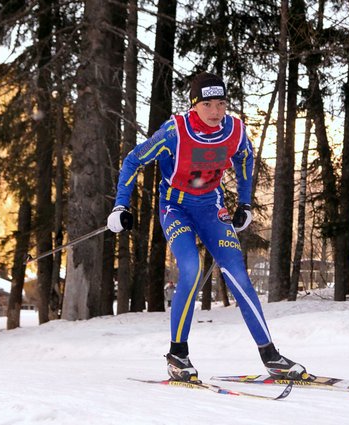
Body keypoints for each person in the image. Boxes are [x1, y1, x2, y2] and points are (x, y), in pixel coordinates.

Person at [106, 72, 307, 383]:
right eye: (209, 104)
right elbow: (134, 160)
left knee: (238, 275)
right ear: (194, 105)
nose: (216, 112)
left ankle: (271, 355)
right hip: (175, 207)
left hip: (211, 207)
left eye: (222, 104)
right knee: (190, 269)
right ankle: (178, 355)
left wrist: (244, 204)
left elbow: (244, 159)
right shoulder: (175, 131)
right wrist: (121, 205)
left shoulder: (234, 130)